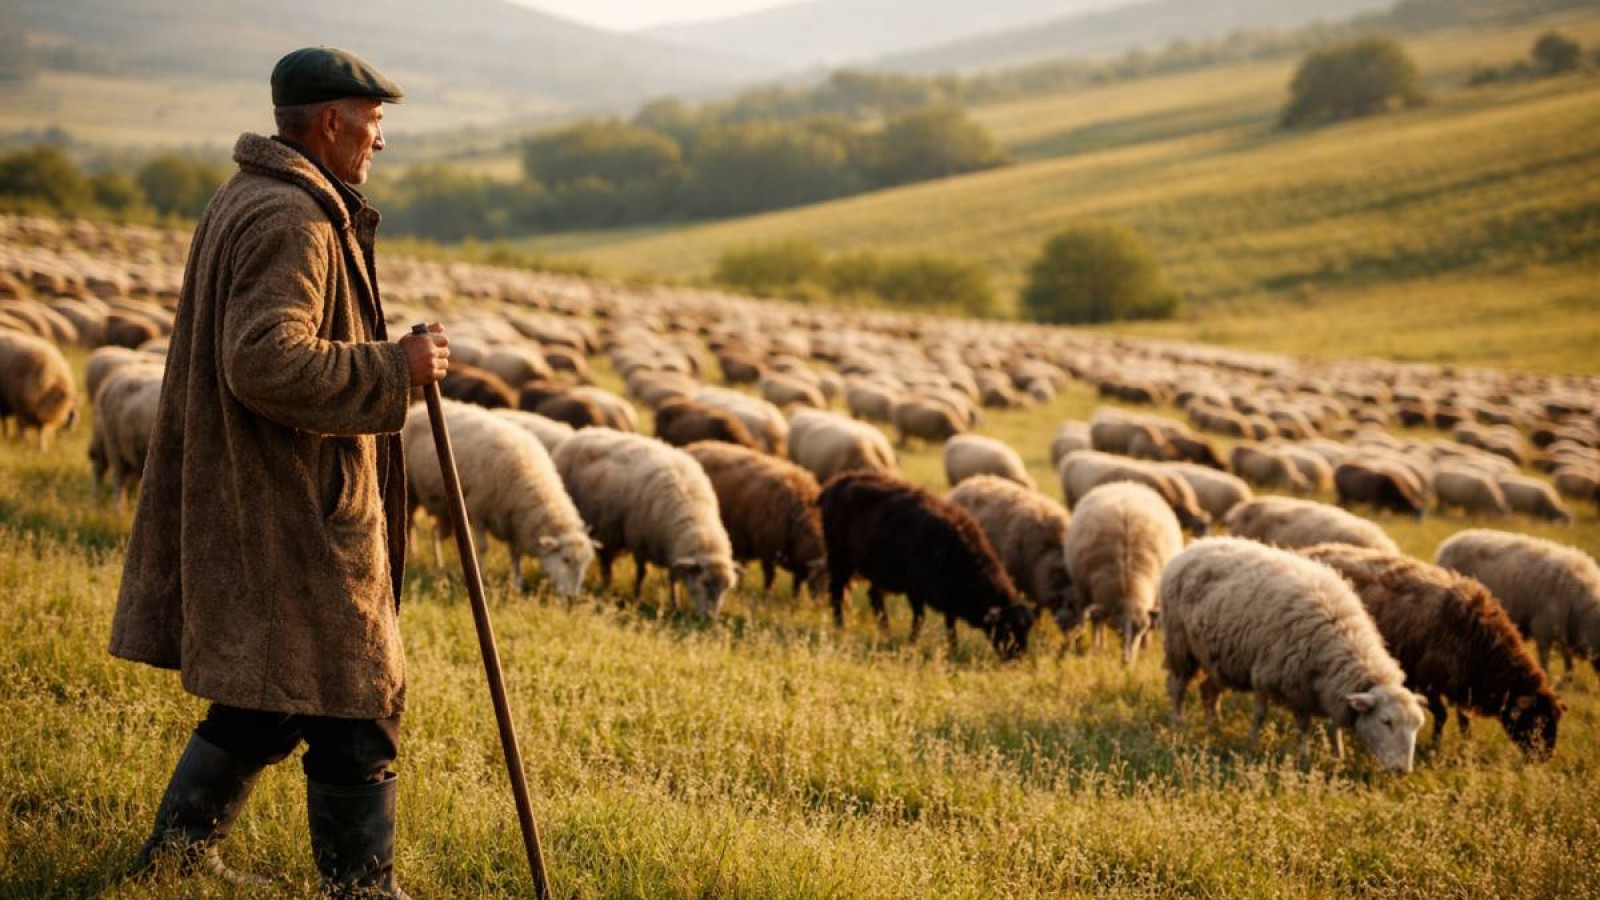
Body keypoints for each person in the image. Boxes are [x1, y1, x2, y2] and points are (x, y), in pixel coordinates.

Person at [109, 46, 446, 898]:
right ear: (331, 121)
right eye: (373, 122)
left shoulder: (254, 195)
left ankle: (177, 859)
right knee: (358, 702)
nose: (380, 139)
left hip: (265, 495)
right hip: (293, 507)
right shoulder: (293, 218)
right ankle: (361, 888)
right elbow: (264, 359)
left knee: (270, 691)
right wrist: (394, 368)